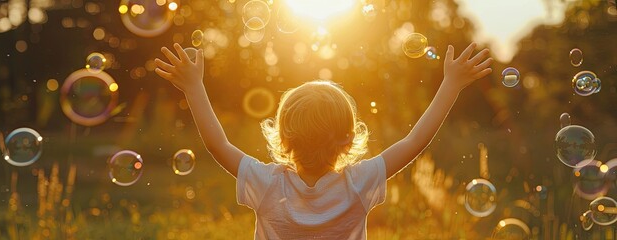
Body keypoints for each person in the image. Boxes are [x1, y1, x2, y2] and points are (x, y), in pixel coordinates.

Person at [155, 42, 492, 239]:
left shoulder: (267, 183)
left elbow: (218, 145)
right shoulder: (358, 184)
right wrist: (451, 84)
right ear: (348, 140)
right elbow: (415, 141)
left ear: (283, 137)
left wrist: (194, 87)